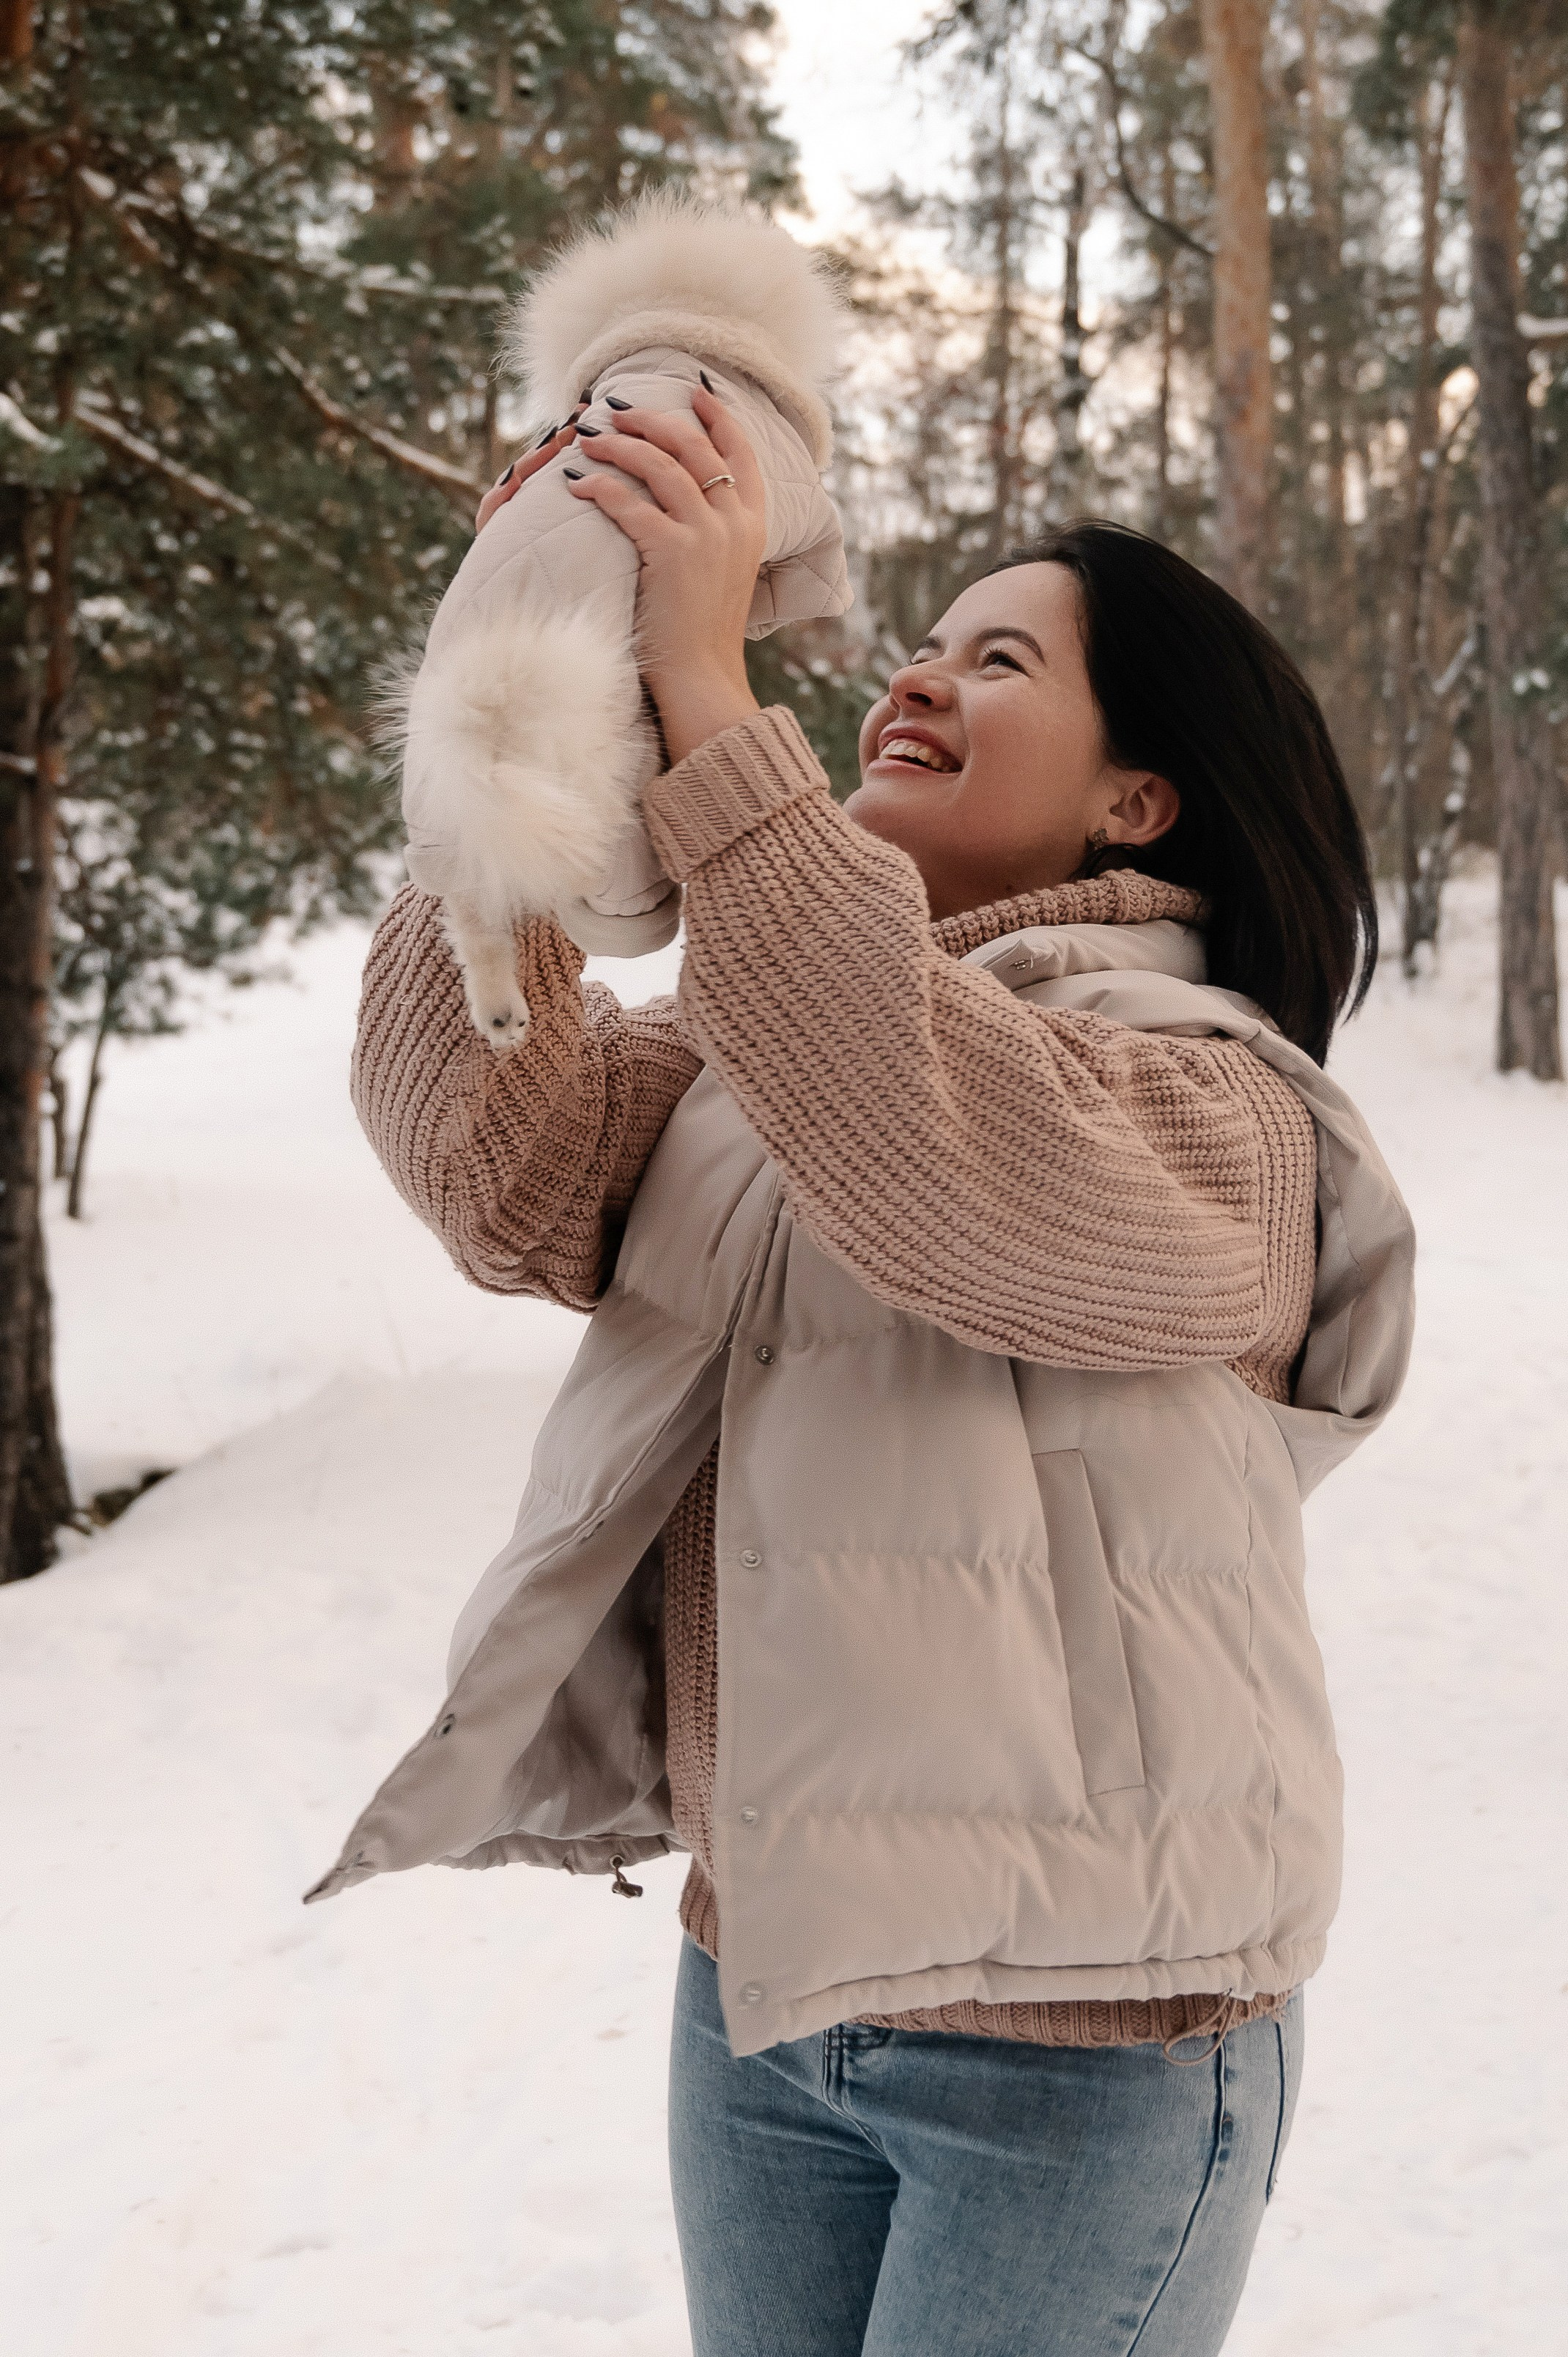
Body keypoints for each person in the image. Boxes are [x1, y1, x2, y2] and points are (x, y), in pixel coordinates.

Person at [344, 390, 1413, 2356]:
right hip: (765, 1998)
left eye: (994, 658)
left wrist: (701, 675)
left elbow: (943, 1167)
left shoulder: (1210, 1107)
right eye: (915, 642)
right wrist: (514, 685)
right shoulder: (769, 1060)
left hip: (1096, 2049)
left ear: (1139, 802)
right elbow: (498, 1174)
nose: (910, 678)